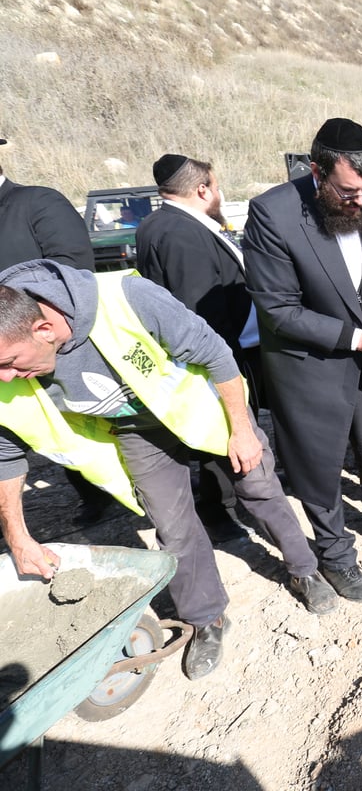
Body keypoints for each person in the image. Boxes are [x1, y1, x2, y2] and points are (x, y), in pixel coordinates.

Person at [0, 260, 339, 681]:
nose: (7, 377)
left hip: (205, 409)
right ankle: (207, 618)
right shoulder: (5, 362)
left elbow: (216, 354)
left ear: (44, 330)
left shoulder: (125, 299)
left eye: (11, 363)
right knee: (173, 527)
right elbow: (5, 452)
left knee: (259, 489)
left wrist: (242, 430)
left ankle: (305, 570)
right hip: (133, 429)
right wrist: (18, 538)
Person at [243, 118, 362, 605]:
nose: (359, 202)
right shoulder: (273, 214)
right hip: (309, 366)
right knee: (320, 464)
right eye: (349, 191)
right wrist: (358, 339)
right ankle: (335, 555)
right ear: (317, 173)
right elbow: (279, 310)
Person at [136, 153, 264, 544]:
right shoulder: (180, 234)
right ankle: (220, 510)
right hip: (216, 354)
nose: (220, 193)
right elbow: (199, 308)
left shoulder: (163, 223)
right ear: (202, 189)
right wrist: (224, 363)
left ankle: (227, 498)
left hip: (224, 346)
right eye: (217, 185)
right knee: (222, 427)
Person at [0, 139, 112, 525]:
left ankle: (103, 491)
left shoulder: (38, 202)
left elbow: (72, 268)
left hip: (46, 345)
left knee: (84, 423)